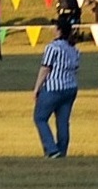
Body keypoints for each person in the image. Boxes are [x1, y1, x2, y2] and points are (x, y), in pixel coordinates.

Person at [34, 13, 80, 157]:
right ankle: (62, 150)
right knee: (63, 122)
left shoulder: (52, 47)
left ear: (59, 30)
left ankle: (51, 149)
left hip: (54, 87)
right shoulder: (74, 49)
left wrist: (37, 88)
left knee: (40, 118)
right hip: (70, 87)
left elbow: (45, 68)